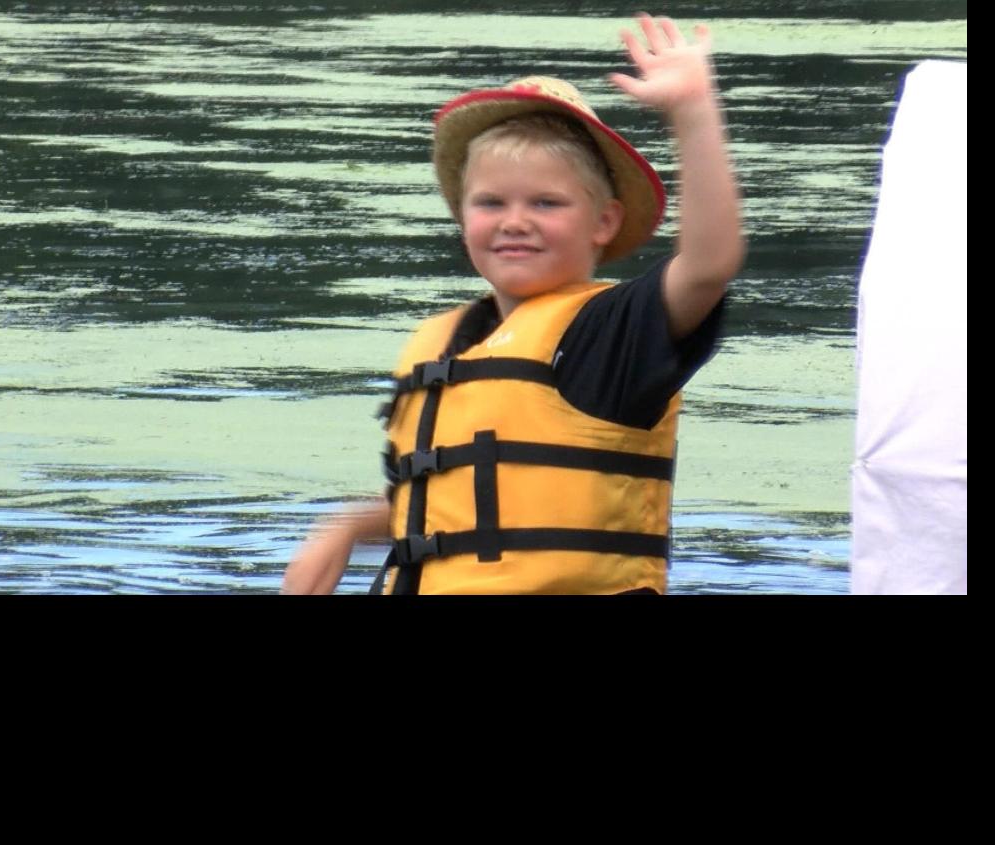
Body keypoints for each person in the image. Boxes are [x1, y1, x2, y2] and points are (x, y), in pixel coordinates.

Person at [281, 13, 743, 595]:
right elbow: (459, 506)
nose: (515, 223)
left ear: (604, 221)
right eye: (491, 202)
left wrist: (693, 112)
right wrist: (346, 527)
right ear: (462, 216)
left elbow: (709, 266)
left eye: (547, 203)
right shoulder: (448, 341)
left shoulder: (610, 334)